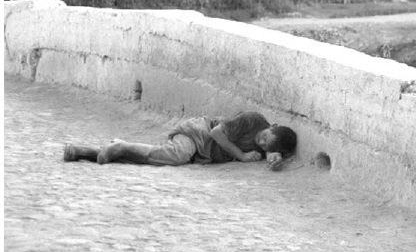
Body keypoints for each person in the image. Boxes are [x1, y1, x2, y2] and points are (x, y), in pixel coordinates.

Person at [63, 111, 297, 171]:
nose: (260, 142)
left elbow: (269, 152)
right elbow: (217, 133)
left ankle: (89, 152)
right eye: (265, 137)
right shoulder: (254, 120)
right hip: (199, 132)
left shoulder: (266, 146)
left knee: (158, 159)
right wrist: (242, 156)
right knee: (176, 155)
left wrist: (274, 158)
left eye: (265, 145)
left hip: (203, 152)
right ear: (272, 126)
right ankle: (121, 145)